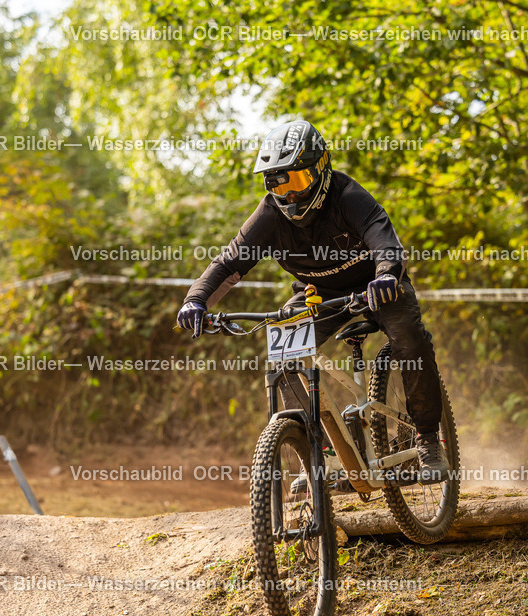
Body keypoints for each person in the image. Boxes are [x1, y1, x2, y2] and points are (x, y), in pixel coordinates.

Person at [176, 120, 449, 481]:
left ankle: (429, 439)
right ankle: (316, 455)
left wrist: (386, 275)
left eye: (297, 180)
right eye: (277, 182)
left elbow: (384, 241)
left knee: (409, 337)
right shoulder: (269, 216)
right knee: (283, 356)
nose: (289, 194)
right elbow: (229, 263)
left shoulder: (348, 196)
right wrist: (196, 300)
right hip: (319, 296)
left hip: (377, 286)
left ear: (321, 170)